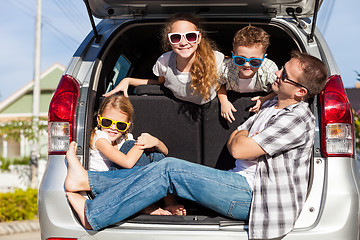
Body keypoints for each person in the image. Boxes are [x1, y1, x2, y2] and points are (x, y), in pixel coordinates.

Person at [64, 51, 328, 239]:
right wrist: (242, 136)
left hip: (256, 197)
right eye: (282, 68)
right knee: (159, 163)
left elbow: (237, 147)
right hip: (238, 183)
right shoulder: (271, 105)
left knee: (170, 170)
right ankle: (87, 180)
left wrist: (242, 137)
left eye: (285, 74)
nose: (278, 72)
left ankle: (94, 214)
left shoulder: (297, 118)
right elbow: (235, 136)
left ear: (300, 92)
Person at [88, 95, 185, 215]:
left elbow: (165, 152)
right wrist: (142, 143)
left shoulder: (125, 138)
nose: (113, 128)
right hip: (104, 188)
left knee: (155, 154)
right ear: (99, 120)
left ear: (127, 126)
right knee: (131, 146)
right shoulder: (99, 138)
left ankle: (169, 202)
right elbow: (127, 163)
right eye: (107, 122)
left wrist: (154, 141)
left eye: (120, 125)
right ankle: (145, 206)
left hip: (121, 184)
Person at [103, 13, 224, 105]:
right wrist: (128, 81)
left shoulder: (214, 59)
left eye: (190, 36)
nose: (183, 42)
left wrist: (224, 101)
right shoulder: (164, 61)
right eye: (176, 38)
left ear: (198, 38)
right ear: (170, 42)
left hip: (211, 106)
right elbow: (160, 83)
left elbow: (227, 81)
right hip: (176, 109)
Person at [218, 25, 279, 123]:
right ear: (233, 55)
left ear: (264, 58)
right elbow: (220, 85)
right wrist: (223, 101)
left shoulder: (269, 69)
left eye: (254, 61)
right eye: (240, 60)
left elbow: (280, 90)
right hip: (233, 102)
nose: (247, 65)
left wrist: (265, 99)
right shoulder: (227, 67)